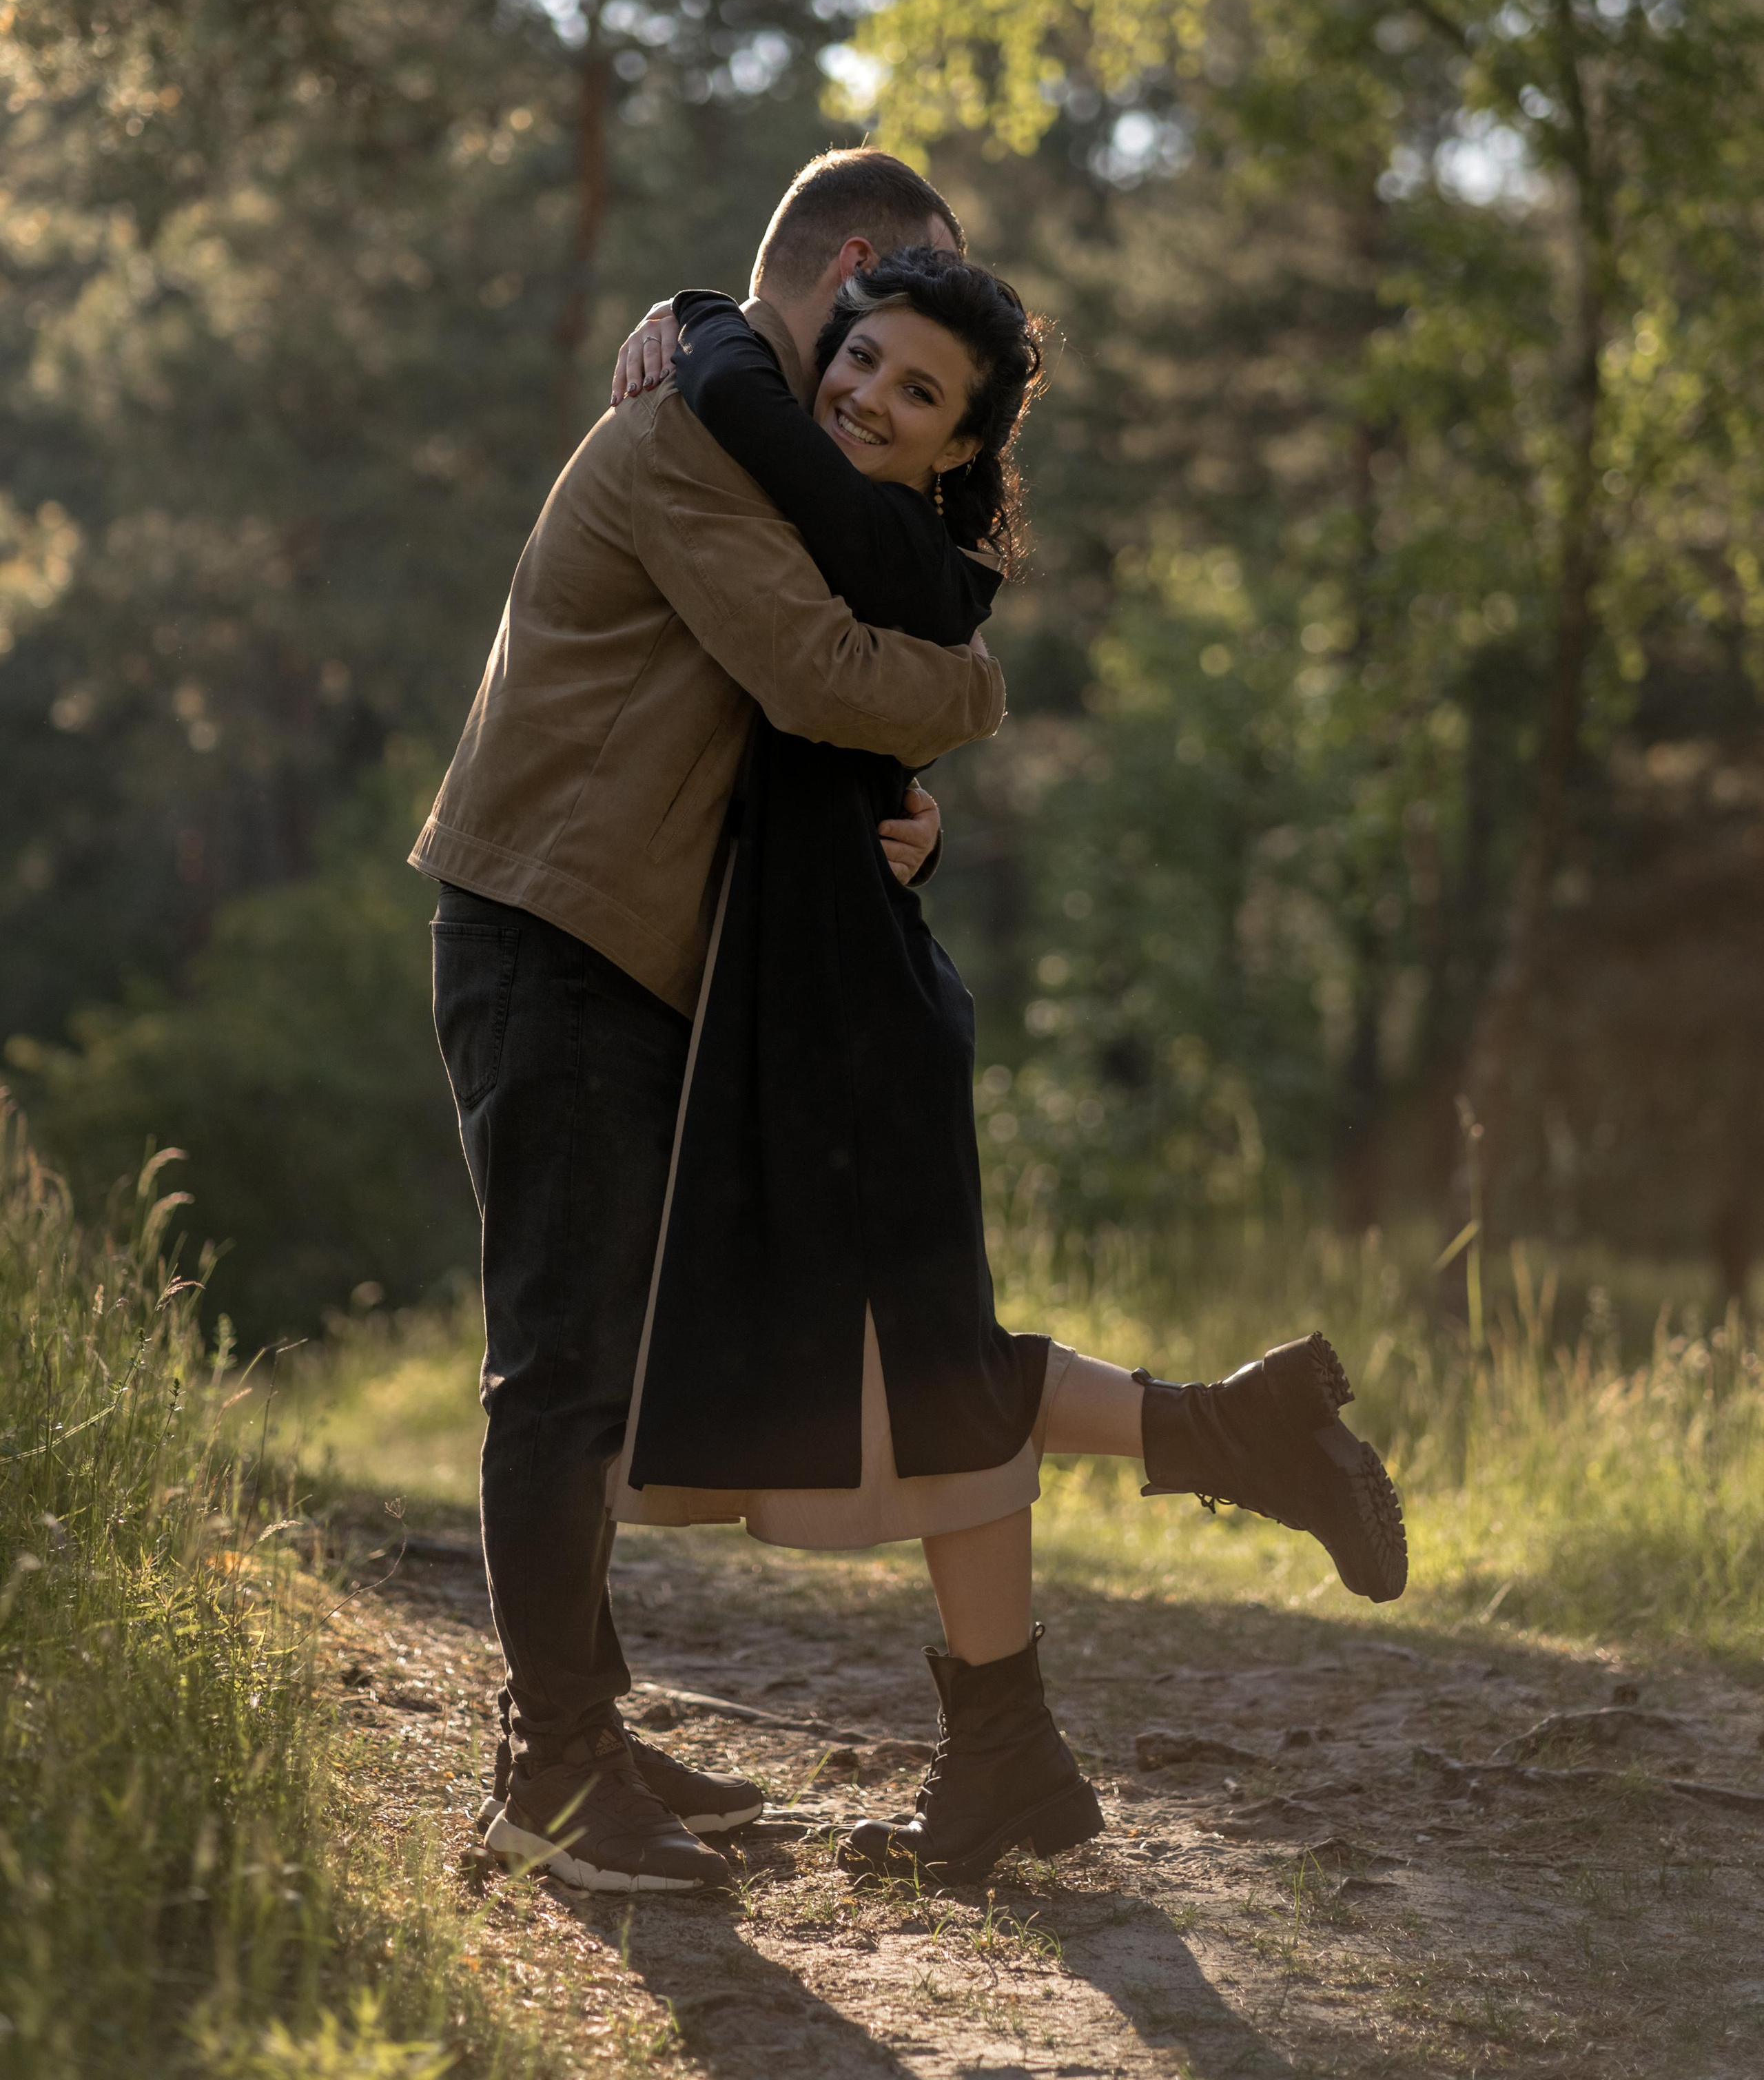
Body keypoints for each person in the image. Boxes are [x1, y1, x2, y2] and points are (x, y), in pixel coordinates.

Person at [586, 251, 1407, 1891]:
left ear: (959, 448)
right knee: (927, 1360)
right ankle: (1190, 1485)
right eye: (861, 360)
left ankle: (1064, 1668)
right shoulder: (849, 510)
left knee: (922, 1362)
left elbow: (770, 431)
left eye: (915, 393)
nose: (863, 399)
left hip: (847, 1023)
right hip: (825, 996)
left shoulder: (880, 528)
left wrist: (709, 324)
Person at [412, 150, 1009, 1895]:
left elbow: (806, 722)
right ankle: (554, 1786)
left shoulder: (755, 437)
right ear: (846, 265)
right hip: (552, 932)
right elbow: (813, 668)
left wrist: (907, 808)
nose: (886, 370)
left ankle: (576, 1727)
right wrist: (969, 698)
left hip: (615, 946)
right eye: (890, 318)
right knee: (559, 1374)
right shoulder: (690, 428)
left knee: (591, 1367)